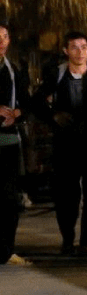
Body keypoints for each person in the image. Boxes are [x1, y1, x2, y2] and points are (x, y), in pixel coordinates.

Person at [33, 31, 87, 256]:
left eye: (84, 47)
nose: (80, 52)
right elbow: (37, 101)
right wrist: (53, 116)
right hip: (65, 144)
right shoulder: (56, 75)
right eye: (74, 47)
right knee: (66, 193)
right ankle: (67, 238)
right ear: (66, 51)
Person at [0, 21, 31, 266]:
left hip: (9, 141)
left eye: (5, 37)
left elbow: (28, 102)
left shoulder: (15, 69)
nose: (1, 42)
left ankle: (6, 250)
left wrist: (16, 114)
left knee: (10, 198)